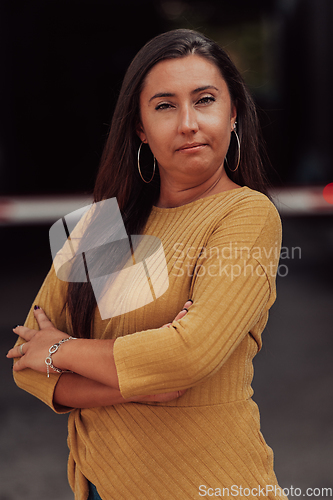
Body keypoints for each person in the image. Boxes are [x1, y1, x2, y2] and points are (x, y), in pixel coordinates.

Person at [7, 29, 287, 500]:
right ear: (139, 126)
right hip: (103, 483)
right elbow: (27, 365)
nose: (188, 123)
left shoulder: (246, 215)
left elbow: (187, 355)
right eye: (164, 106)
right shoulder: (105, 225)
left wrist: (62, 349)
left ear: (233, 112)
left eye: (204, 100)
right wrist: (140, 383)